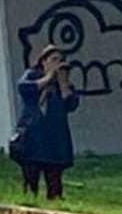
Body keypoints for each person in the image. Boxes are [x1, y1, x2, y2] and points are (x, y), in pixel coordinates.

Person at [16, 45, 80, 200]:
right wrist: (48, 78)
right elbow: (24, 88)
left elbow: (71, 104)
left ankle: (55, 199)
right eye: (54, 59)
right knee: (31, 175)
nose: (58, 63)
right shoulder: (32, 75)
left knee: (54, 178)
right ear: (44, 61)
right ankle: (31, 198)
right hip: (33, 134)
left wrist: (63, 85)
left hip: (54, 137)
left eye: (61, 60)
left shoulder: (63, 84)